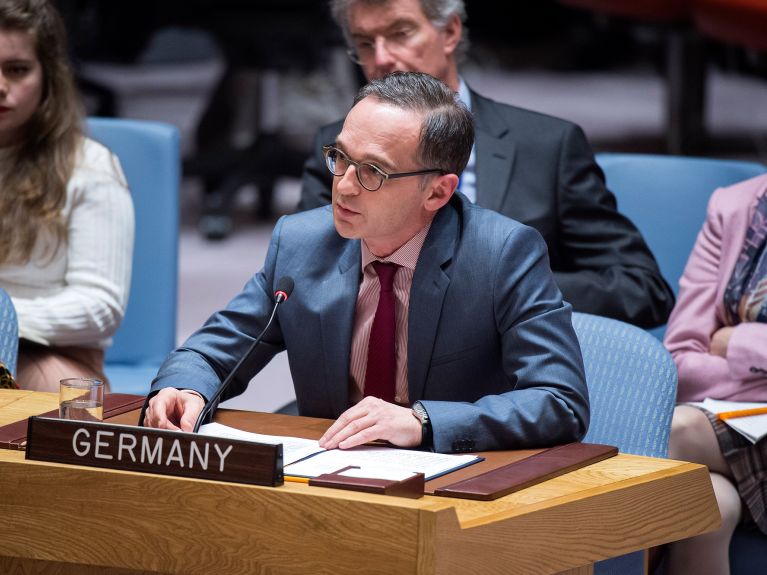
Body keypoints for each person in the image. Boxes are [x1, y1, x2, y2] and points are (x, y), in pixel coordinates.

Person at [144, 71, 589, 453]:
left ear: (438, 191)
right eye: (340, 158)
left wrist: (424, 422)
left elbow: (559, 400)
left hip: (451, 485)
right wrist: (184, 387)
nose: (344, 186)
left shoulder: (501, 254)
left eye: (373, 171)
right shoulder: (301, 242)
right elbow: (214, 349)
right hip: (328, 473)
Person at [298, 0, 674, 329]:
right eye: (365, 43)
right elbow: (305, 278)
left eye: (400, 33)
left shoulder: (548, 147)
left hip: (504, 388)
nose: (380, 58)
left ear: (450, 32)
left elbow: (642, 289)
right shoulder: (337, 150)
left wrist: (509, 285)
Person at [0, 0, 134, 392]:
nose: (0, 85)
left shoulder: (91, 167)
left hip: (50, 354)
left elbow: (99, 307)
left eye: (17, 70)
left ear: (48, 77)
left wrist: (4, 319)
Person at [663, 173, 767, 575]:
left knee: (671, 431)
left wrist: (736, 343)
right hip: (729, 425)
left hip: (704, 428)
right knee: (707, 504)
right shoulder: (734, 205)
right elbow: (682, 360)